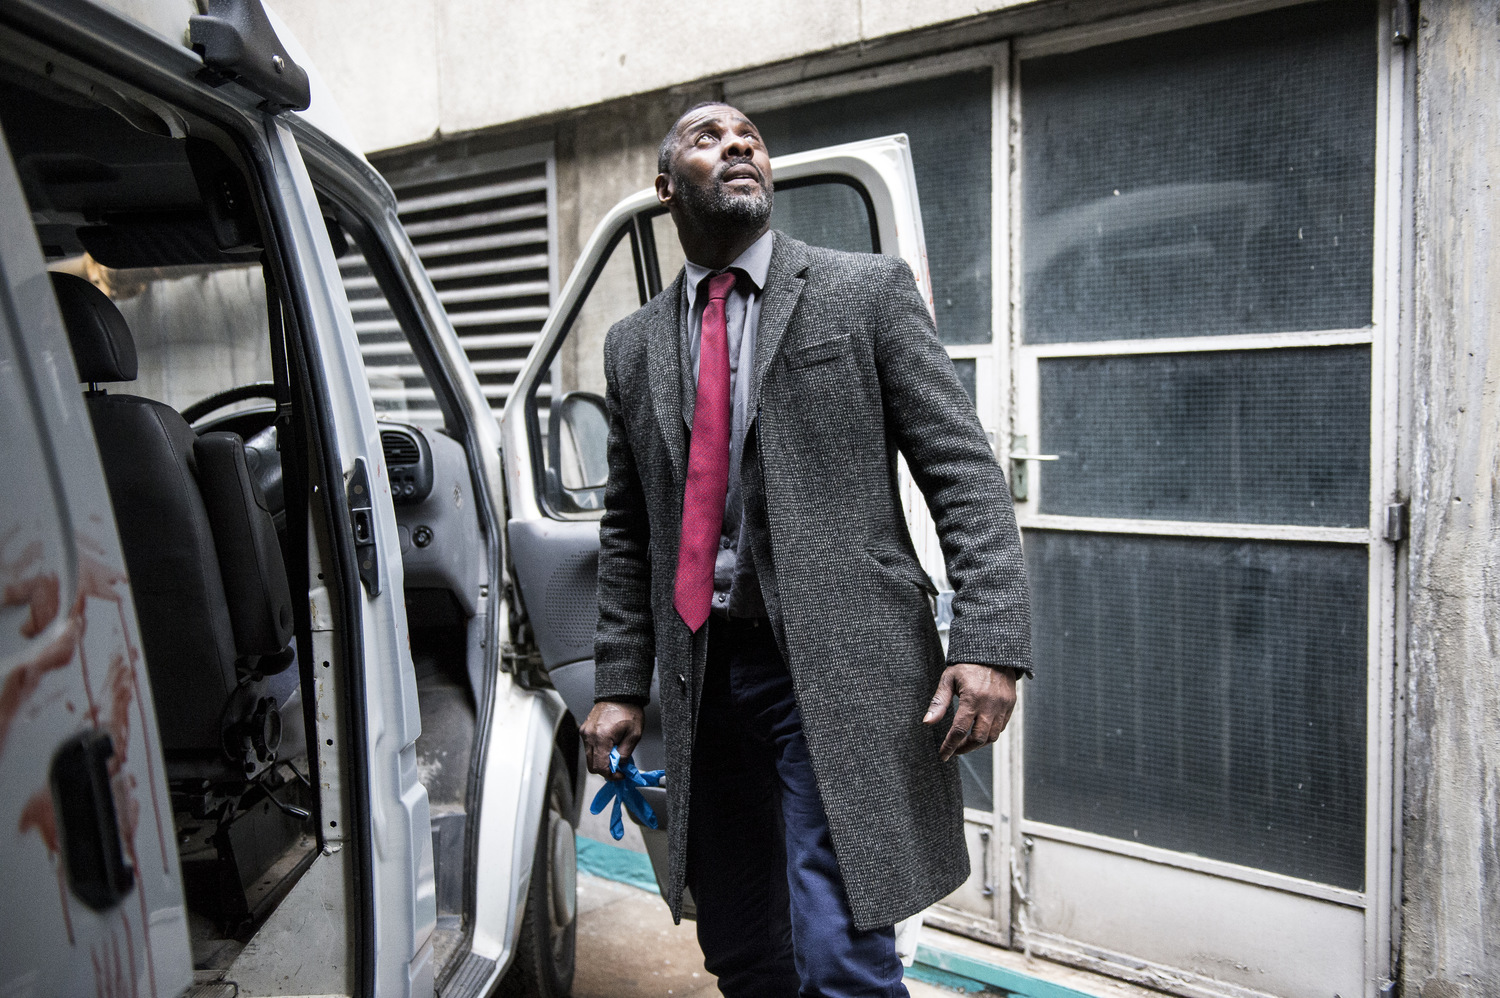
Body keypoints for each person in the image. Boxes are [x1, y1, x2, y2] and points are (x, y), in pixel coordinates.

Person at [580, 102, 1031, 997]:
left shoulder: (862, 291)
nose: (739, 145)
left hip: (837, 669)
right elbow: (629, 531)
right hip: (704, 675)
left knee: (840, 954)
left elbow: (962, 469)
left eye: (749, 136)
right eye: (708, 138)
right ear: (666, 188)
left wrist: (990, 641)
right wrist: (620, 682)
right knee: (740, 942)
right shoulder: (632, 346)